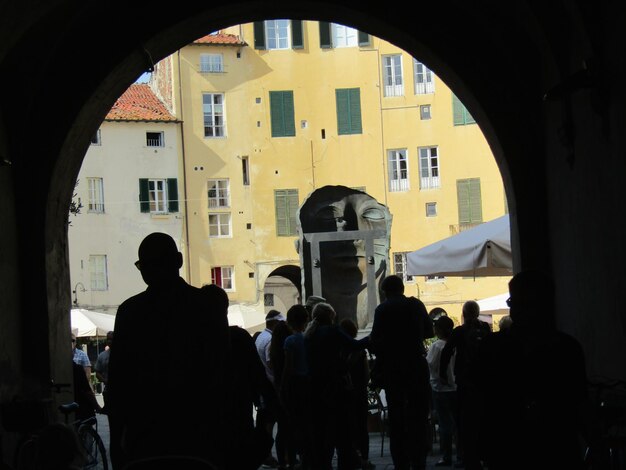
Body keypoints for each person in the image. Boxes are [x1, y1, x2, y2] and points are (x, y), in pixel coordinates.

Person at [106, 232, 231, 469]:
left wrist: (116, 442)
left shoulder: (130, 313)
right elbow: (221, 373)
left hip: (144, 439)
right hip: (198, 437)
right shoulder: (207, 307)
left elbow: (118, 384)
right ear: (179, 261)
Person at [474, 270, 589, 470]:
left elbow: (478, 402)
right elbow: (579, 404)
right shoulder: (566, 347)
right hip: (557, 450)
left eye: (517, 304)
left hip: (508, 450)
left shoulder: (492, 347)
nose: (515, 310)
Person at [201, 284, 273, 470]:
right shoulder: (239, 338)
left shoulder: (192, 342)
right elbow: (259, 377)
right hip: (239, 417)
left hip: (205, 426)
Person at [369, 275, 434, 470]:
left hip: (393, 368)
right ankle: (419, 460)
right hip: (415, 364)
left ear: (385, 292)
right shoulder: (416, 305)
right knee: (419, 415)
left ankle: (401, 462)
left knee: (396, 418)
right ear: (402, 288)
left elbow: (375, 340)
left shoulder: (382, 309)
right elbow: (430, 332)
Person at [305, 302, 369, 470]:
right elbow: (354, 345)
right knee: (343, 431)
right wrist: (374, 336)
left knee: (323, 433)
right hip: (335, 388)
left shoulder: (310, 334)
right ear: (330, 316)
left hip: (316, 389)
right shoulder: (332, 331)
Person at [439, 300, 491, 469]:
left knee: (465, 420)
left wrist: (442, 374)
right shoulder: (485, 329)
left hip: (464, 379)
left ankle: (468, 457)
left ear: (464, 313)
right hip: (483, 380)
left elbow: (447, 352)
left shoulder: (459, 331)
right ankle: (484, 453)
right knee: (483, 417)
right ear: (477, 312)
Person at [339, 318, 373, 470]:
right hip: (359, 393)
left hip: (345, 394)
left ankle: (350, 457)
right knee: (361, 427)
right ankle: (364, 459)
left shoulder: (339, 351)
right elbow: (366, 375)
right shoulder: (360, 351)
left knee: (347, 427)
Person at [254, 309, 286, 468]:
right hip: (271, 388)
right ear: (275, 323)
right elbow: (271, 364)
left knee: (267, 422)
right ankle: (268, 455)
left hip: (263, 387)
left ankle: (265, 454)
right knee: (272, 422)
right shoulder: (270, 340)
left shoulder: (260, 337)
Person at [281, 304, 312, 469]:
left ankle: (293, 460)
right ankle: (307, 456)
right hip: (308, 383)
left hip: (295, 385)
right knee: (306, 423)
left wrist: (283, 387)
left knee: (294, 423)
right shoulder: (308, 339)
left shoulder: (290, 341)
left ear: (289, 321)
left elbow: (288, 367)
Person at [426, 315, 458, 467]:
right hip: (455, 387)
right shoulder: (456, 345)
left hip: (440, 389)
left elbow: (430, 365)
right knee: (457, 422)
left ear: (438, 329)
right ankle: (461, 453)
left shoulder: (436, 346)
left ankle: (446, 456)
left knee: (444, 423)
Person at [269, 320, 296, 469]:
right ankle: (291, 460)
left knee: (281, 430)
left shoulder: (273, 351)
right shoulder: (288, 350)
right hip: (289, 392)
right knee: (291, 430)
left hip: (278, 391)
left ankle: (281, 462)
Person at [94, 330, 113, 408]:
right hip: (108, 389)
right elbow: (97, 372)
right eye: (108, 339)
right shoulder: (102, 355)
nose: (109, 341)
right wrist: (105, 380)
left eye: (111, 339)